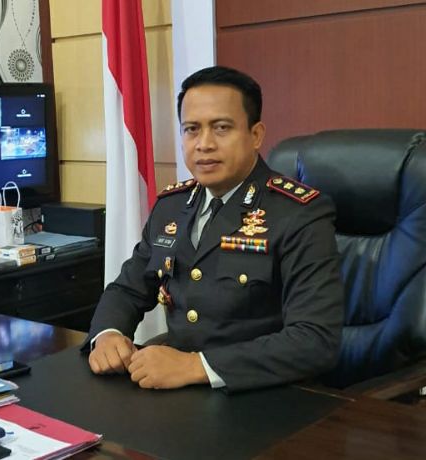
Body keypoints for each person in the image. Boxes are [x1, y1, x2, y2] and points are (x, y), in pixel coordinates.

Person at [85, 66, 344, 393]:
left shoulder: (297, 213)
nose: (204, 144)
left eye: (221, 128)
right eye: (191, 129)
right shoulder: (171, 206)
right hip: (177, 392)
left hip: (263, 394)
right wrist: (107, 333)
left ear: (256, 135)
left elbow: (315, 340)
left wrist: (196, 366)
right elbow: (128, 289)